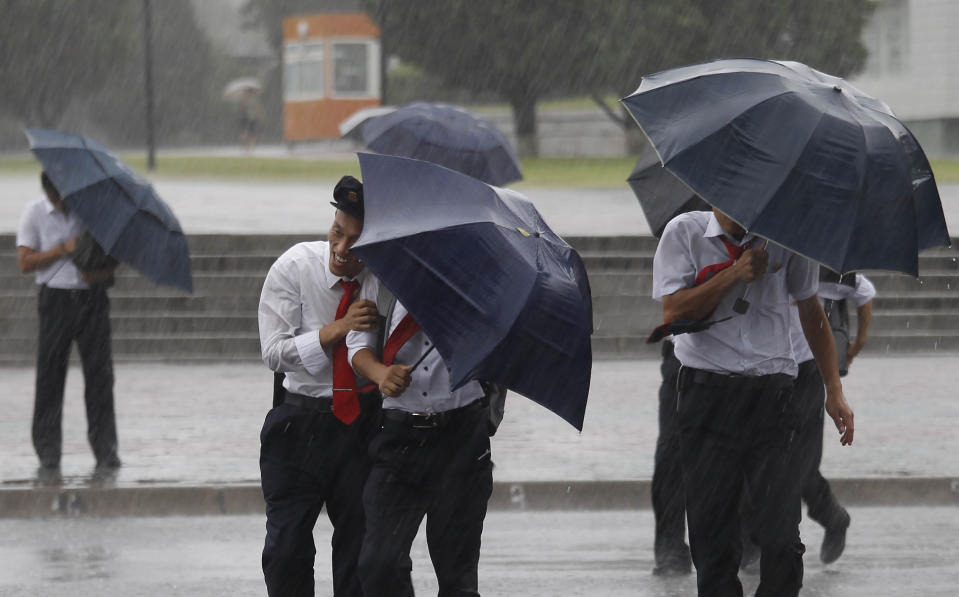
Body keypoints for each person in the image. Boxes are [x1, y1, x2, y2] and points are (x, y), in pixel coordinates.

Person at [652, 208, 854, 597]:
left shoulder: (788, 235)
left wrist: (834, 390)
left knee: (781, 539)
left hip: (773, 398)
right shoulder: (685, 233)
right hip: (706, 398)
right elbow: (673, 311)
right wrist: (733, 274)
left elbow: (812, 311)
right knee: (713, 542)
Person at [257, 175, 382, 597]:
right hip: (299, 423)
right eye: (337, 233)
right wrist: (337, 330)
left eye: (357, 243)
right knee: (286, 552)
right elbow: (274, 351)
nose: (342, 250)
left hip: (360, 427)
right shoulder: (295, 267)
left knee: (359, 555)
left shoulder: (384, 283)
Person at [348, 297, 495, 596]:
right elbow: (357, 347)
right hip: (398, 437)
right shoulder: (382, 282)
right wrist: (380, 374)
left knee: (458, 578)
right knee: (379, 564)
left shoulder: (479, 288)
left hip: (462, 437)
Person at [16, 172, 120, 483]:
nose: (60, 202)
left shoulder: (93, 211)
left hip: (92, 299)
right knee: (50, 376)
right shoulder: (34, 213)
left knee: (100, 377)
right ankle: (48, 448)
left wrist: (100, 274)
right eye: (54, 196)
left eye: (64, 195)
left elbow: (114, 254)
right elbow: (24, 262)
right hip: (55, 300)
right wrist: (63, 248)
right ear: (46, 191)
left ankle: (106, 447)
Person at [650, 337, 692, 576]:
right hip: (682, 351)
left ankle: (749, 544)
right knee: (670, 461)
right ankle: (671, 550)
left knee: (735, 454)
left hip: (737, 358)